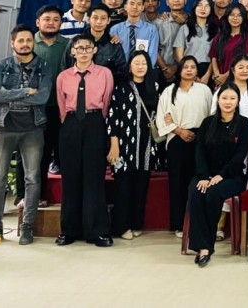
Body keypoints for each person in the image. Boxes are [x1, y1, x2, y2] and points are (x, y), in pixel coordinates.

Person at [0, 25, 52, 244]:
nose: (25, 44)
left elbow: (41, 97)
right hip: (3, 127)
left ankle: (27, 227)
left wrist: (10, 95)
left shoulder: (44, 66)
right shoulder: (1, 65)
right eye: (20, 41)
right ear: (12, 43)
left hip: (33, 127)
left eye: (28, 40)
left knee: (32, 178)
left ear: (33, 42)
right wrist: (25, 91)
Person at [55, 33, 114, 247]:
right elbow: (62, 106)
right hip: (70, 125)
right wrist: (71, 123)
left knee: (94, 178)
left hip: (95, 122)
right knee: (70, 178)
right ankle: (69, 230)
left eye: (88, 48)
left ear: (94, 50)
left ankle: (97, 231)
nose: (83, 52)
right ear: (72, 51)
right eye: (79, 48)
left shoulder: (104, 73)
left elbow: (106, 102)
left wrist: (97, 123)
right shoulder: (63, 77)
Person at [186, 83, 248, 267]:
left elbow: (241, 155)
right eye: (224, 98)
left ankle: (207, 246)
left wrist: (221, 175)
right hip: (206, 174)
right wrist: (204, 176)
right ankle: (200, 245)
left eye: (232, 98)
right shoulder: (208, 123)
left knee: (214, 193)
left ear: (238, 100)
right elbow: (199, 151)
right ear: (218, 100)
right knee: (196, 192)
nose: (228, 102)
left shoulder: (244, 124)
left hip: (232, 176)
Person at [105, 51, 159, 240]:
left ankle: (137, 223)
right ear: (129, 66)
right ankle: (122, 226)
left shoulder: (154, 86)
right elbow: (113, 116)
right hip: (123, 145)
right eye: (136, 63)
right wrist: (114, 145)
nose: (140, 66)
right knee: (123, 187)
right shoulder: (121, 88)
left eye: (144, 63)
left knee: (140, 186)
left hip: (146, 146)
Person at [156, 57, 212, 237]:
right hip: (177, 138)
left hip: (200, 138)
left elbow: (211, 114)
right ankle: (179, 224)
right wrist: (179, 131)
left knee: (199, 182)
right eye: (185, 67)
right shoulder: (169, 91)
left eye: (193, 67)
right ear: (179, 70)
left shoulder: (204, 90)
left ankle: (199, 223)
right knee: (178, 183)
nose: (189, 70)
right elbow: (163, 116)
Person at [33, 5, 69, 199]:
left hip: (60, 105)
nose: (51, 23)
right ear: (38, 22)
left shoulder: (68, 44)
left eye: (56, 19)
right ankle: (31, 195)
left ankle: (51, 196)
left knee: (58, 150)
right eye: (47, 19)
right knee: (36, 152)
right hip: (34, 106)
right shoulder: (29, 42)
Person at [64, 5, 128, 79]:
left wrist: (101, 76)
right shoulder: (75, 42)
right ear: (88, 20)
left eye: (103, 18)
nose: (99, 22)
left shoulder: (114, 45)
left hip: (105, 87)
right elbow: (65, 67)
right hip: (76, 86)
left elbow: (122, 71)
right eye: (95, 18)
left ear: (108, 21)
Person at [174, 0, 218, 82]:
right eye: (200, 5)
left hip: (208, 69)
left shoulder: (216, 30)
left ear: (211, 10)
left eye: (207, 6)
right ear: (194, 9)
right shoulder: (185, 28)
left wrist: (207, 75)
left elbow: (216, 56)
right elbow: (179, 55)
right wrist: (189, 71)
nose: (203, 9)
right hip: (188, 68)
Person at [109, 0, 160, 65]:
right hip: (119, 71)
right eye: (132, 4)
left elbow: (152, 55)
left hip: (142, 71)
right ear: (125, 7)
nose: (135, 7)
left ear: (143, 8)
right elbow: (111, 53)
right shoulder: (115, 29)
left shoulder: (151, 29)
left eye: (139, 4)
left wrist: (145, 71)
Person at [208, 4, 248, 87]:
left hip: (239, 80)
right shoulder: (220, 36)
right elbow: (214, 57)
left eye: (239, 15)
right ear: (227, 16)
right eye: (232, 15)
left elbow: (247, 60)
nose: (235, 18)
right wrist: (217, 76)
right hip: (219, 81)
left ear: (243, 18)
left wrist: (225, 76)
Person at [153, 0, 187, 85]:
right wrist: (165, 69)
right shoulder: (158, 22)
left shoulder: (192, 23)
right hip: (162, 70)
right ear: (167, 2)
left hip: (186, 70)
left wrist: (176, 67)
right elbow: (154, 48)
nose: (176, 0)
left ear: (185, 1)